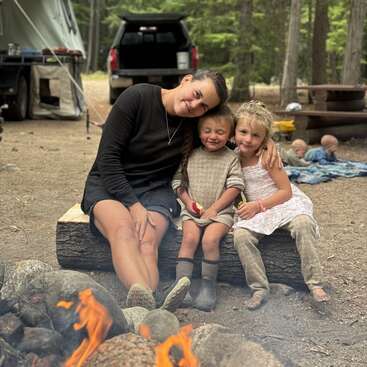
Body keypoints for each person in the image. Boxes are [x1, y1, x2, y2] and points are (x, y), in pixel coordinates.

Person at [81, 70, 229, 311]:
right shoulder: (137, 97)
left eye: (203, 106)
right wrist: (133, 205)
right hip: (111, 183)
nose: (195, 106)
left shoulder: (195, 122)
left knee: (148, 240)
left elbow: (234, 133)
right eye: (196, 95)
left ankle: (149, 306)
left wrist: (267, 146)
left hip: (155, 189)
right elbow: (108, 159)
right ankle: (151, 301)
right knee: (123, 230)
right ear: (187, 80)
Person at [232, 100, 330, 311]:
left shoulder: (267, 157)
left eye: (256, 135)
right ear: (234, 130)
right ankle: (259, 287)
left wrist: (257, 206)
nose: (248, 139)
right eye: (243, 132)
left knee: (303, 223)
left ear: (264, 138)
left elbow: (285, 191)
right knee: (241, 237)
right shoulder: (232, 159)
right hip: (256, 209)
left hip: (280, 202)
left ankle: (315, 283)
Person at [170, 105, 245, 311]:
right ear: (199, 132)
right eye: (207, 131)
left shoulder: (231, 158)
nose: (213, 136)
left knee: (210, 240)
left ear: (229, 134)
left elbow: (236, 186)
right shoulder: (191, 155)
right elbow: (178, 183)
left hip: (221, 212)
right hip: (192, 210)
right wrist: (188, 202)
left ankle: (208, 286)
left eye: (220, 132)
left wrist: (215, 209)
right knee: (190, 239)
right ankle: (181, 286)